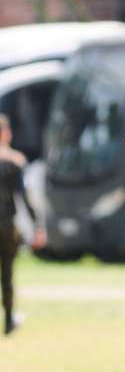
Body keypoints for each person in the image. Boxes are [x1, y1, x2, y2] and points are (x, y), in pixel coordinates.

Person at [0, 114, 44, 336]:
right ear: (6, 133)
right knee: (7, 274)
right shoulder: (14, 161)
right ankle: (8, 321)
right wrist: (37, 225)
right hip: (7, 224)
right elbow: (24, 198)